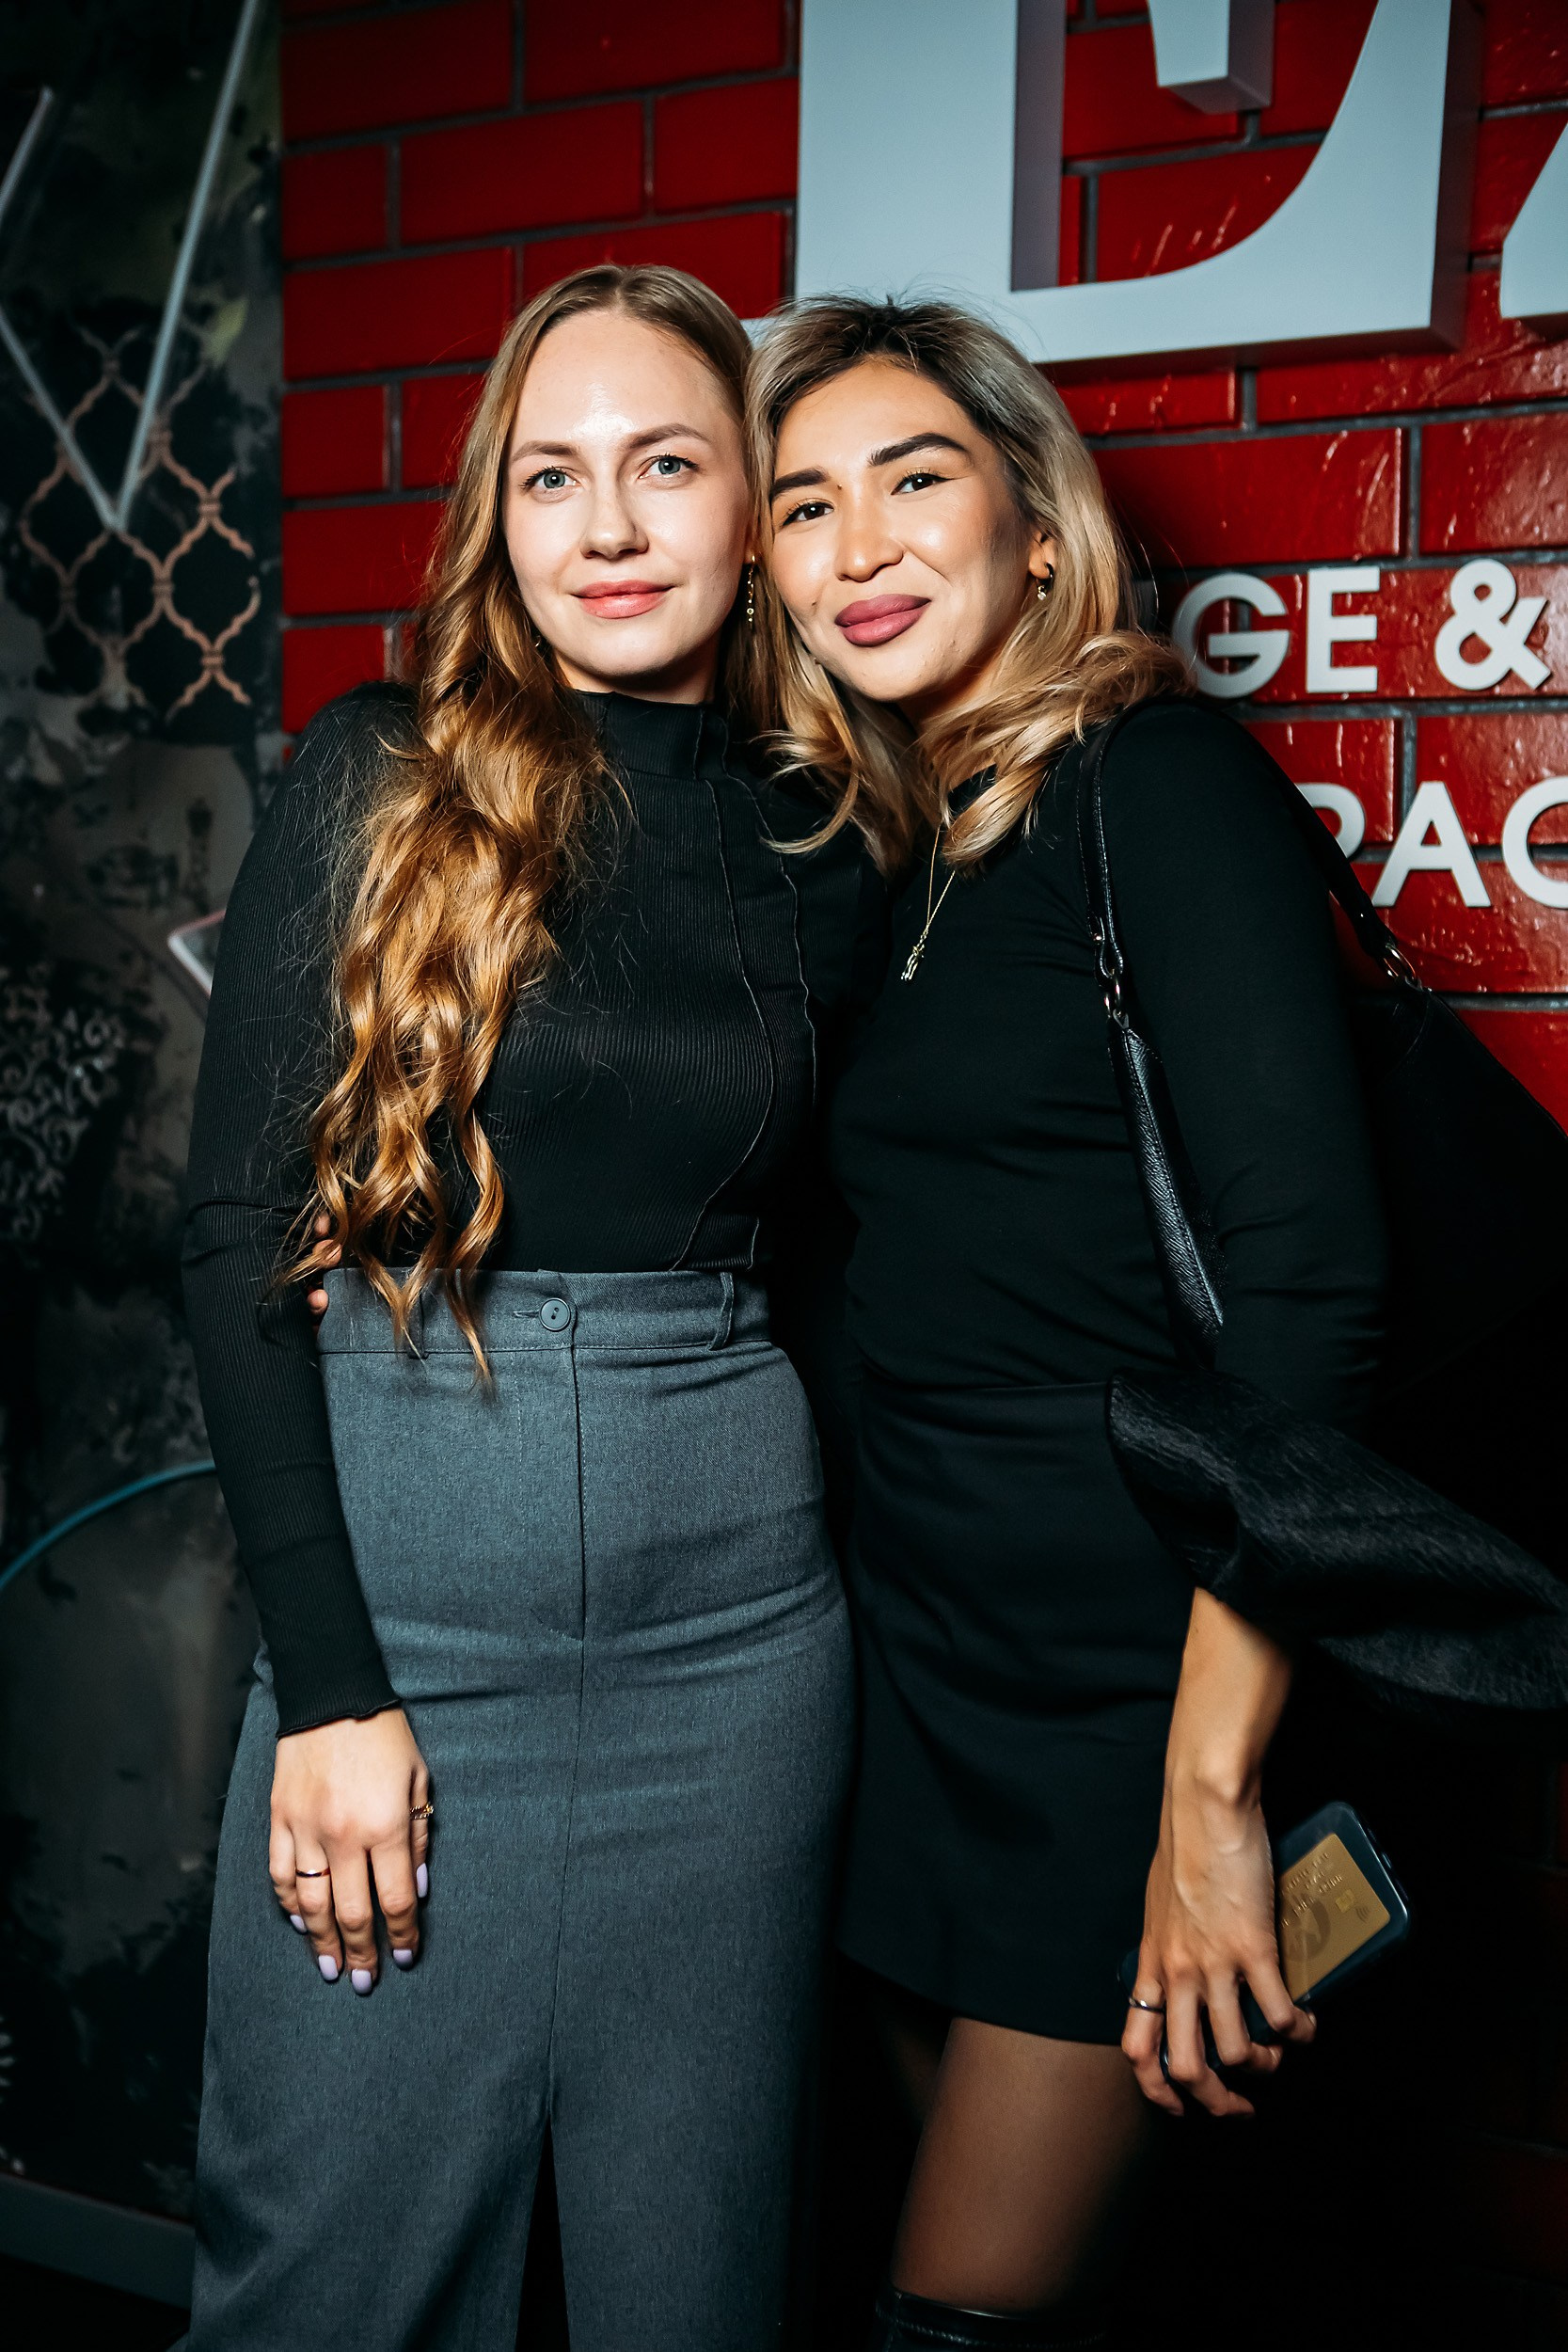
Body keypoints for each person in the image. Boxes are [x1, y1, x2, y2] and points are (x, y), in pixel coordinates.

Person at [179, 264, 878, 2352]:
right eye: (552, 476)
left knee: (697, 2284)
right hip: (414, 1624)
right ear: (498, 513)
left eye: (666, 464)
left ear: (753, 501)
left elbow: (862, 1244)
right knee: (329, 2286)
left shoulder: (830, 828)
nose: (609, 526)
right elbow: (233, 1238)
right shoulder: (382, 770)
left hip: (740, 1653)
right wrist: (331, 1692)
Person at [747, 296, 1388, 2350]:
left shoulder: (1158, 785)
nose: (858, 545)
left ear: (1040, 527)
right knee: (929, 2261)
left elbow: (1314, 1291)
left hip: (1131, 1687)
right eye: (803, 504)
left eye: (914, 478)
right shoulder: (896, 843)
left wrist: (1211, 1794)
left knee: (962, 2314)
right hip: (916, 1659)